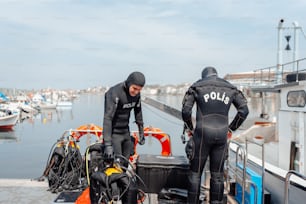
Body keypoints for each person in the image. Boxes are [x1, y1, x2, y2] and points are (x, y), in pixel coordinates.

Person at [182, 66, 249, 204]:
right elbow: (244, 111)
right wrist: (231, 129)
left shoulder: (197, 86)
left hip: (201, 134)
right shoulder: (230, 88)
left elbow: (186, 112)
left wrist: (190, 128)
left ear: (203, 76)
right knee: (217, 176)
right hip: (221, 135)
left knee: (195, 174)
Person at [103, 71, 146, 163]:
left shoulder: (136, 95)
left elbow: (138, 113)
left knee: (125, 163)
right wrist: (107, 145)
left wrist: (141, 132)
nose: (136, 92)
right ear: (129, 83)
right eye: (134, 88)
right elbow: (108, 118)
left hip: (125, 132)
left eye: (139, 90)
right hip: (114, 134)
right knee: (117, 165)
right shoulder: (114, 92)